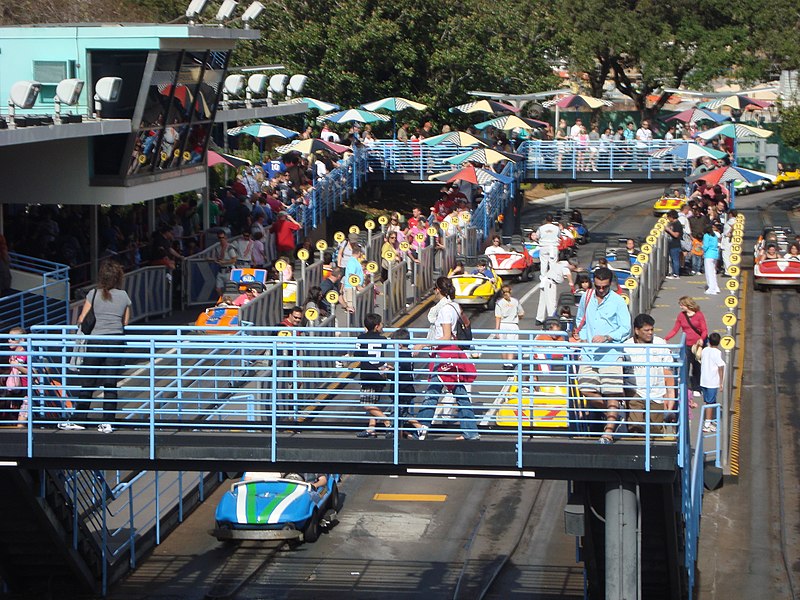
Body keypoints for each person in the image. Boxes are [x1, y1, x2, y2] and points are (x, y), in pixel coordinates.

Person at [413, 277, 479, 441]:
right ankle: (470, 431)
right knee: (459, 393)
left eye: (435, 289)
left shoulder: (443, 310)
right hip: (453, 354)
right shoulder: (455, 306)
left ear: (438, 290)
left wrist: (423, 344)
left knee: (432, 393)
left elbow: (446, 336)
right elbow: (459, 329)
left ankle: (420, 428)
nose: (434, 293)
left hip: (444, 355)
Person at [571, 267, 631, 444]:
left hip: (611, 354)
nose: (601, 290)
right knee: (585, 388)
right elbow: (580, 319)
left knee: (612, 392)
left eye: (604, 287)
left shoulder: (618, 301)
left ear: (610, 284)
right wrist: (581, 338)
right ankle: (614, 414)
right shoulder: (586, 296)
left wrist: (607, 337)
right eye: (598, 286)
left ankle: (608, 433)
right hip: (589, 354)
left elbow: (626, 328)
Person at [69, 261, 132, 433]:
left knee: (88, 381)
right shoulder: (124, 295)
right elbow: (125, 322)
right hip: (116, 341)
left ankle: (80, 419)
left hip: (96, 341)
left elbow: (82, 318)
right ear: (118, 278)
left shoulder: (93, 294)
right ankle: (108, 421)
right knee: (110, 382)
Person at [622, 314, 676, 435]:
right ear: (636, 330)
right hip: (635, 391)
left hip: (656, 392)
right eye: (646, 330)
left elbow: (667, 372)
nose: (650, 333)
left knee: (656, 430)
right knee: (635, 427)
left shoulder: (660, 344)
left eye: (652, 330)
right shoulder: (626, 347)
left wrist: (670, 394)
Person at [354, 313, 393, 438]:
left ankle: (387, 422)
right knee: (373, 401)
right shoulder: (383, 339)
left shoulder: (361, 338)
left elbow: (357, 355)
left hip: (367, 374)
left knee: (366, 403)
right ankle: (371, 428)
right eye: (381, 324)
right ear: (377, 326)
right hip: (380, 374)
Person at [665, 296, 707, 401]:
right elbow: (675, 329)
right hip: (686, 345)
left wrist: (701, 339)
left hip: (697, 346)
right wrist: (666, 338)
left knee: (697, 367)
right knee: (686, 366)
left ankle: (697, 387)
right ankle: (688, 387)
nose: (680, 307)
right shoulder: (681, 316)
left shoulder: (699, 315)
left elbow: (704, 330)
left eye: (681, 305)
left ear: (687, 305)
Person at [388, 328, 425, 438]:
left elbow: (400, 375)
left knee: (401, 413)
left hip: (402, 390)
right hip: (406, 389)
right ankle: (403, 433)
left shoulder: (401, 358)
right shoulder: (408, 355)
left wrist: (388, 374)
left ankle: (419, 427)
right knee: (400, 412)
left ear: (399, 345)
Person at [536, 257, 579, 325]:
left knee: (543, 301)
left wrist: (575, 270)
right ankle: (552, 320)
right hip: (551, 283)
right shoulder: (566, 268)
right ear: (572, 265)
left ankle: (539, 319)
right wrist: (572, 285)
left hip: (545, 281)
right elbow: (568, 275)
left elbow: (566, 268)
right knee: (551, 303)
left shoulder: (563, 262)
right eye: (574, 267)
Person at [700, 332, 725, 433]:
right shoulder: (717, 353)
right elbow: (721, 365)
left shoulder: (705, 350)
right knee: (710, 403)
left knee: (708, 401)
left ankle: (709, 420)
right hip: (712, 381)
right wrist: (721, 382)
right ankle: (707, 424)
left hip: (704, 380)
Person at [495, 285, 524, 369]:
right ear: (510, 291)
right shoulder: (515, 301)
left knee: (503, 345)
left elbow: (498, 317)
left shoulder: (499, 303)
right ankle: (510, 363)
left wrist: (497, 330)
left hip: (503, 325)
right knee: (511, 345)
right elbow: (521, 313)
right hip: (513, 325)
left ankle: (505, 363)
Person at [5, 327, 28, 426]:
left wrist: (17, 366)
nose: (10, 341)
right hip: (17, 390)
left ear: (22, 340)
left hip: (27, 389)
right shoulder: (13, 355)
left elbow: (32, 372)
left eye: (13, 339)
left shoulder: (26, 354)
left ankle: (21, 432)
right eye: (9, 338)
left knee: (22, 415)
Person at [214, 231, 238, 296]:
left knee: (229, 289)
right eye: (220, 238)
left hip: (228, 270)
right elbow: (218, 258)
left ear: (226, 237)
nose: (222, 239)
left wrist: (225, 262)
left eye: (223, 237)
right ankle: (222, 300)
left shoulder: (229, 247)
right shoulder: (218, 248)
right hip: (221, 270)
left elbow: (234, 259)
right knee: (218, 288)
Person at [702, 224, 720, 294]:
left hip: (708, 255)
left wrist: (702, 249)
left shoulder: (706, 235)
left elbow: (706, 246)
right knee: (713, 272)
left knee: (708, 272)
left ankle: (711, 289)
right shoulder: (714, 235)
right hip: (715, 254)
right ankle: (716, 287)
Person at [664, 210, 683, 279]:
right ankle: (674, 273)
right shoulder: (673, 224)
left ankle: (676, 274)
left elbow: (676, 235)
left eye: (669, 217)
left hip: (675, 244)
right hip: (672, 244)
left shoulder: (677, 224)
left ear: (672, 217)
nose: (668, 219)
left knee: (675, 260)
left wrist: (668, 230)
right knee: (673, 259)